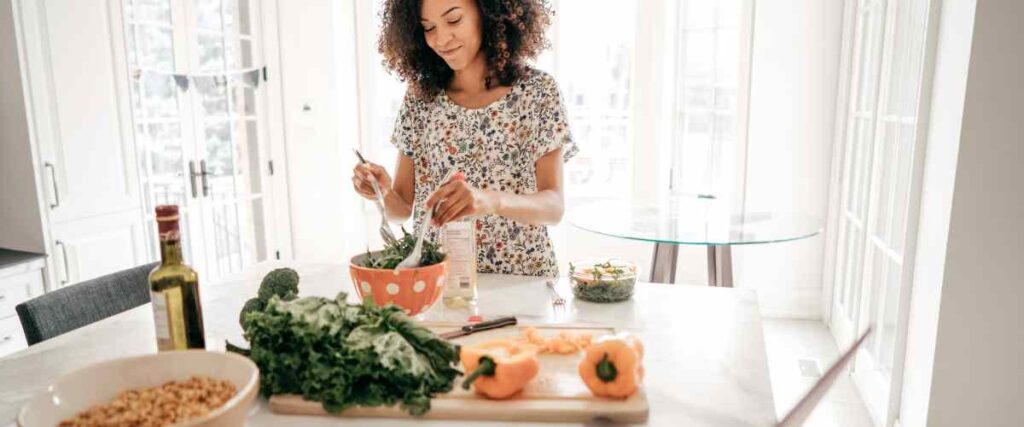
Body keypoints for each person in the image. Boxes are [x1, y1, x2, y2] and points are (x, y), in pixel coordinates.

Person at [352, 0, 577, 277]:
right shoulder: (420, 99)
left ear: (488, 13)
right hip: (440, 281)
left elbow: (553, 207)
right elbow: (401, 211)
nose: (441, 38)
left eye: (454, 20)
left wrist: (490, 200)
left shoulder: (537, 92)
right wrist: (382, 191)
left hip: (521, 280)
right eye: (428, 27)